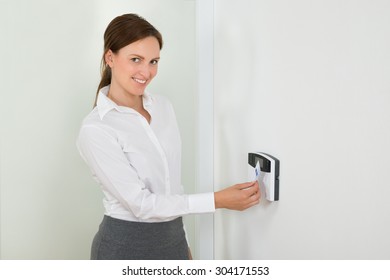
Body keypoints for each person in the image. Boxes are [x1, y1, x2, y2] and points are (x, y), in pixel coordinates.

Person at [77, 13, 260, 260]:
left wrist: (182, 245)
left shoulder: (163, 107)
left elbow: (172, 184)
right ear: (110, 57)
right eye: (136, 59)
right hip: (124, 248)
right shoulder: (96, 129)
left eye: (153, 61)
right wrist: (217, 200)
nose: (147, 71)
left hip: (172, 242)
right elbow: (141, 205)